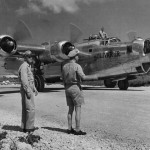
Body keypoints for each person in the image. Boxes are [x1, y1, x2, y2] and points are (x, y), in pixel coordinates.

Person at [62, 48, 98, 135]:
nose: (78, 57)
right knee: (78, 108)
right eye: (77, 56)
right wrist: (94, 77)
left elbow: (62, 78)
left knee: (70, 109)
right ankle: (77, 129)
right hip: (75, 88)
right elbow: (83, 77)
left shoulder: (64, 66)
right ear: (75, 56)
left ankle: (69, 128)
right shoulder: (77, 66)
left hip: (67, 88)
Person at [18, 50, 38, 133]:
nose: (31, 58)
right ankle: (29, 127)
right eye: (29, 56)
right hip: (27, 89)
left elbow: (30, 80)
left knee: (27, 108)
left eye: (32, 56)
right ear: (25, 58)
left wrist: (34, 88)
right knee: (30, 108)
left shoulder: (27, 66)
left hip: (29, 88)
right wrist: (28, 90)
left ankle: (24, 127)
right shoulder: (24, 66)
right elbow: (24, 79)